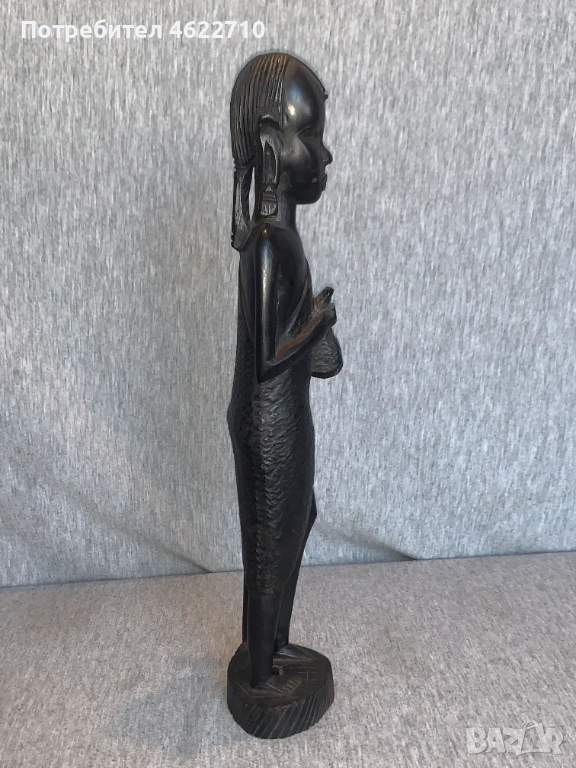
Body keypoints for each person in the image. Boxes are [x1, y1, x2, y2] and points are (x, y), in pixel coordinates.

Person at [228, 52, 342, 691]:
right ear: (273, 147)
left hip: (287, 418)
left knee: (300, 520)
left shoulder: (282, 241)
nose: (325, 155)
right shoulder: (269, 244)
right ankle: (259, 670)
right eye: (314, 136)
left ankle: (274, 644)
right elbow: (268, 356)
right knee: (270, 541)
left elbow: (295, 353)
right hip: (267, 425)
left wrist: (315, 325)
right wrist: (316, 321)